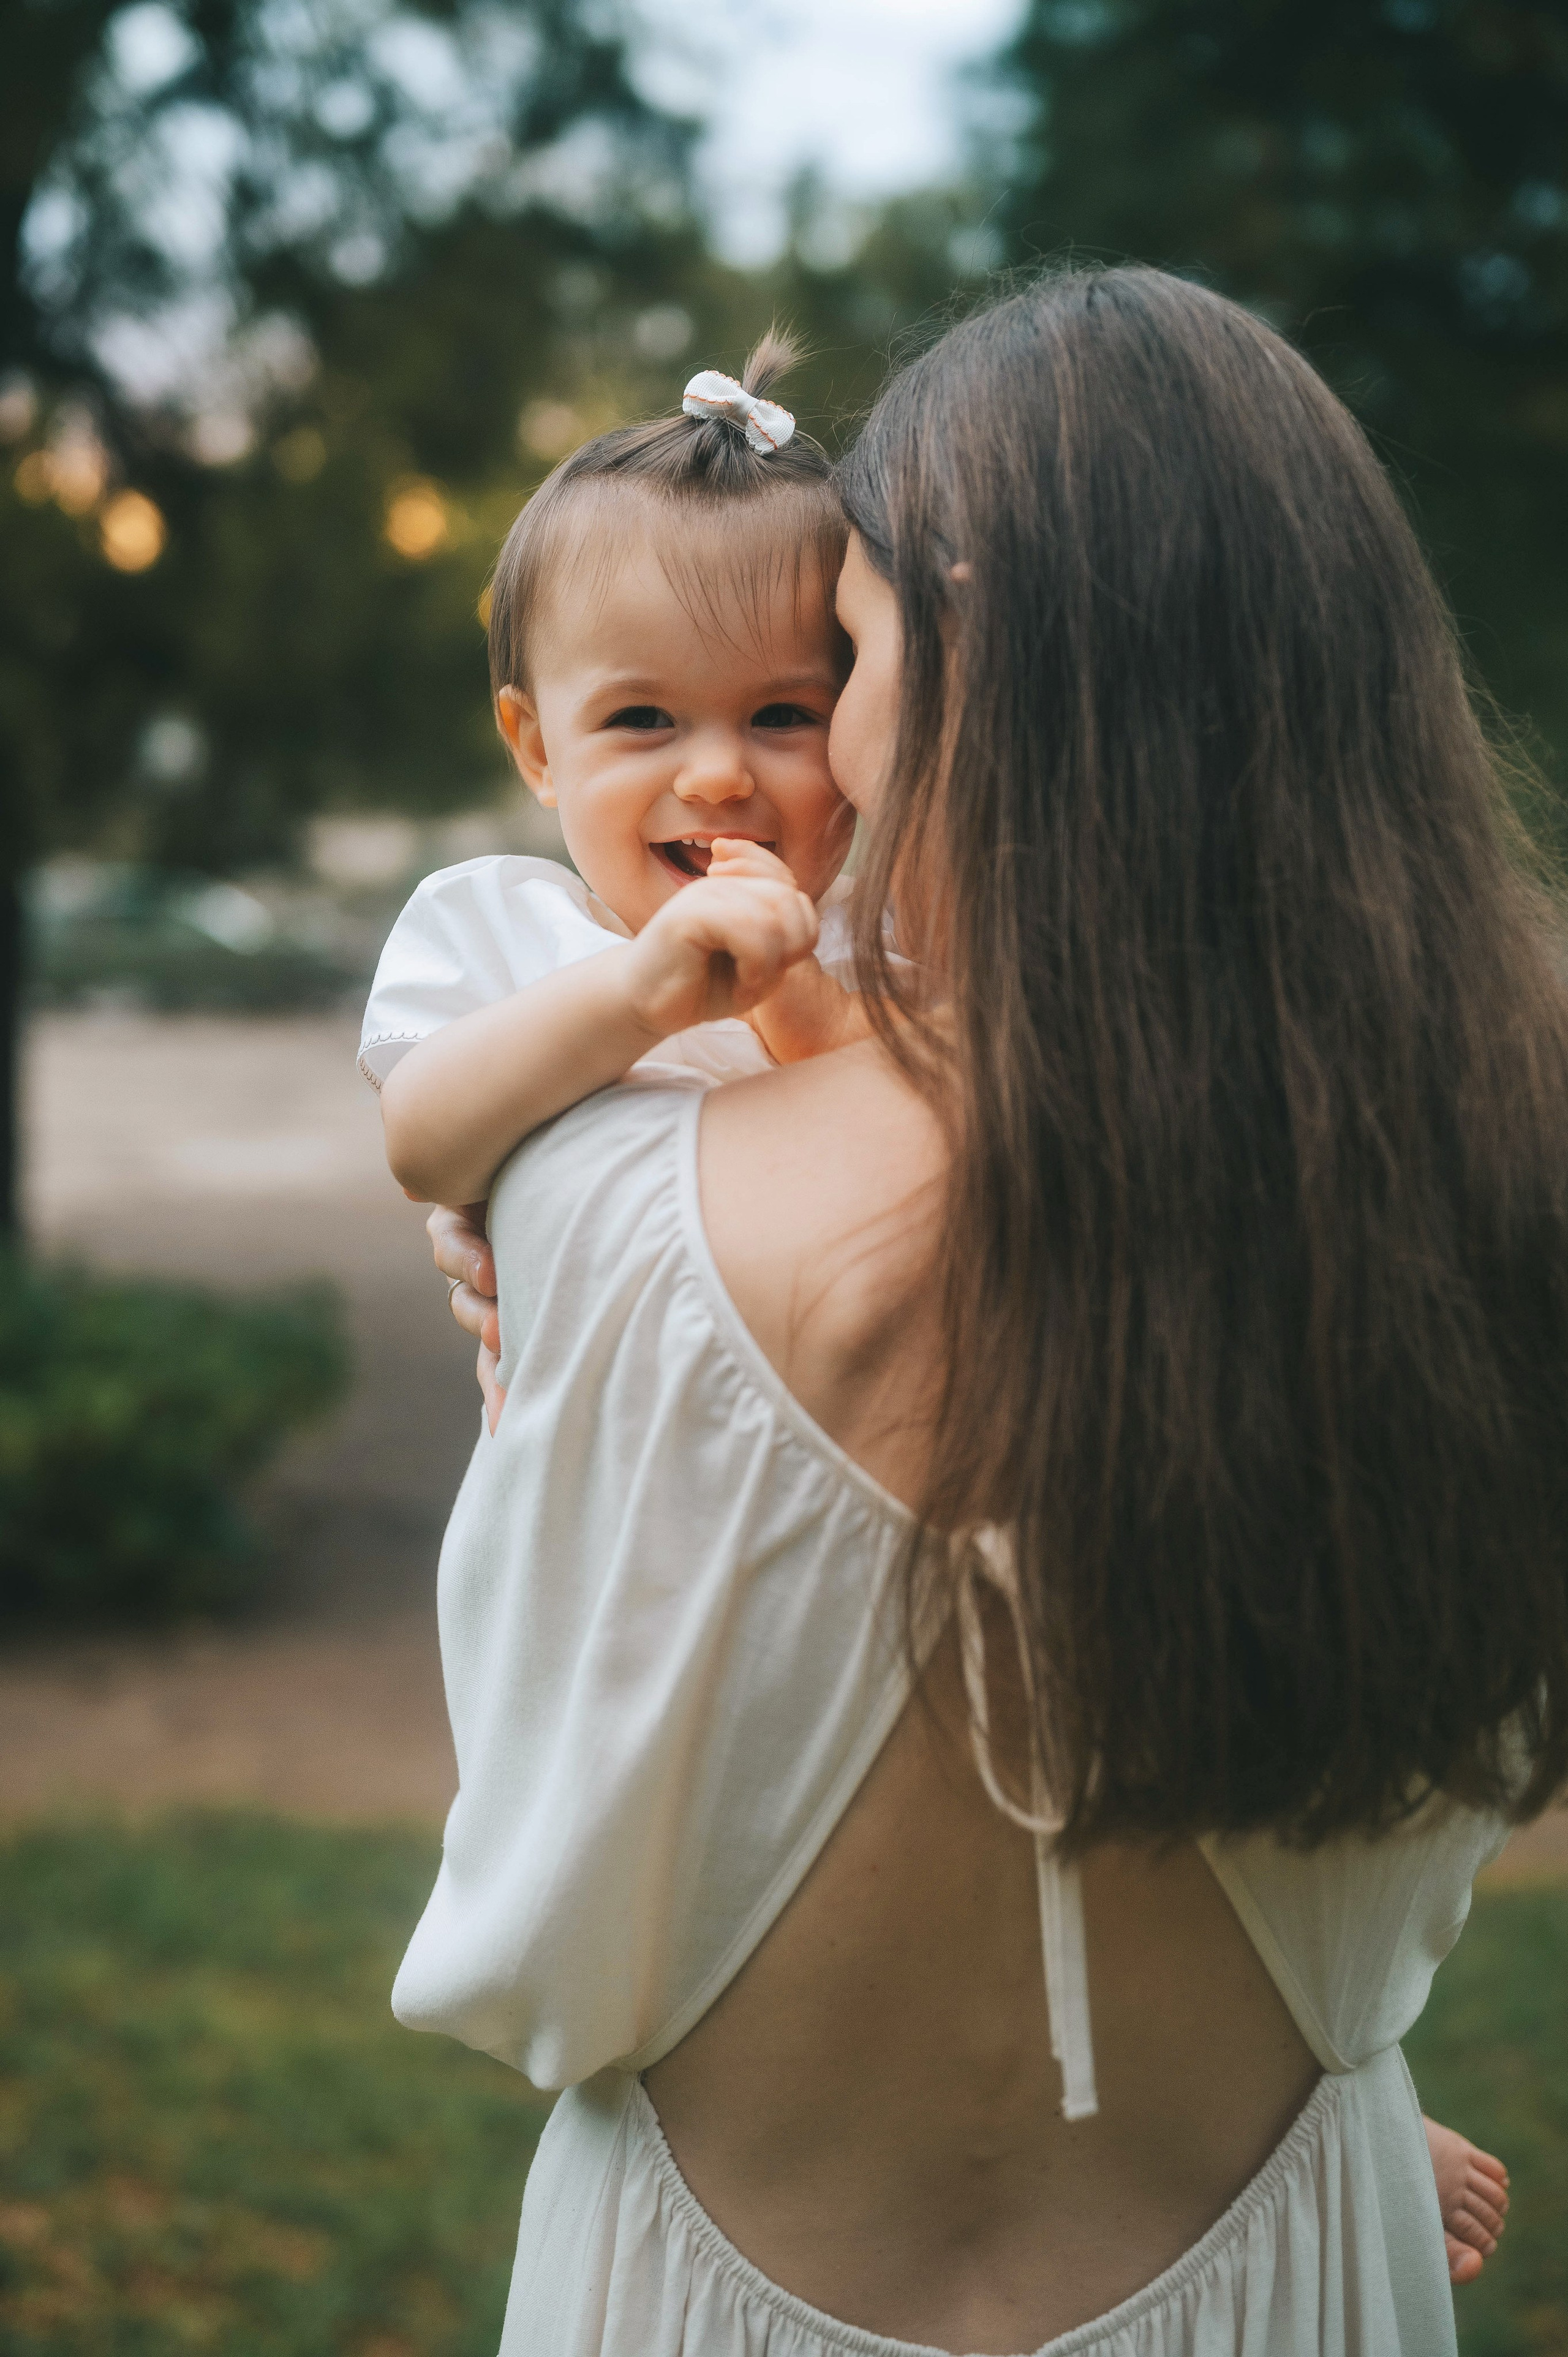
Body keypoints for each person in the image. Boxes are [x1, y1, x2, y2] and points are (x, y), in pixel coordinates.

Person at [402, 268, 1567, 2351]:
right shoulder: (1500, 1172)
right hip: (1291, 2262)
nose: (788, 757)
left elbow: (556, 1830)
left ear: (967, 656)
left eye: (829, 660)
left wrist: (543, 1189)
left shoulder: (618, 1196)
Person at [358, 334, 869, 1229]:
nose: (715, 778)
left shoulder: (893, 943)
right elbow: (422, 1150)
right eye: (642, 719)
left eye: (784, 715)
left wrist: (820, 1020)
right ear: (539, 750)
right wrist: (634, 995)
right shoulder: (502, 929)